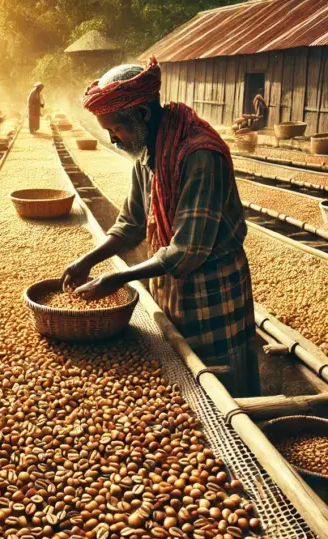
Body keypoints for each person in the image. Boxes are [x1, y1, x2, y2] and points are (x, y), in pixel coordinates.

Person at [61, 57, 259, 397]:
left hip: (212, 290)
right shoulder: (149, 152)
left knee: (224, 380)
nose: (114, 140)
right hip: (168, 283)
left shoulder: (199, 155)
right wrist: (89, 260)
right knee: (184, 376)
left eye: (117, 130)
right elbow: (131, 223)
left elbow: (188, 251)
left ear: (142, 114)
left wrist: (118, 277)